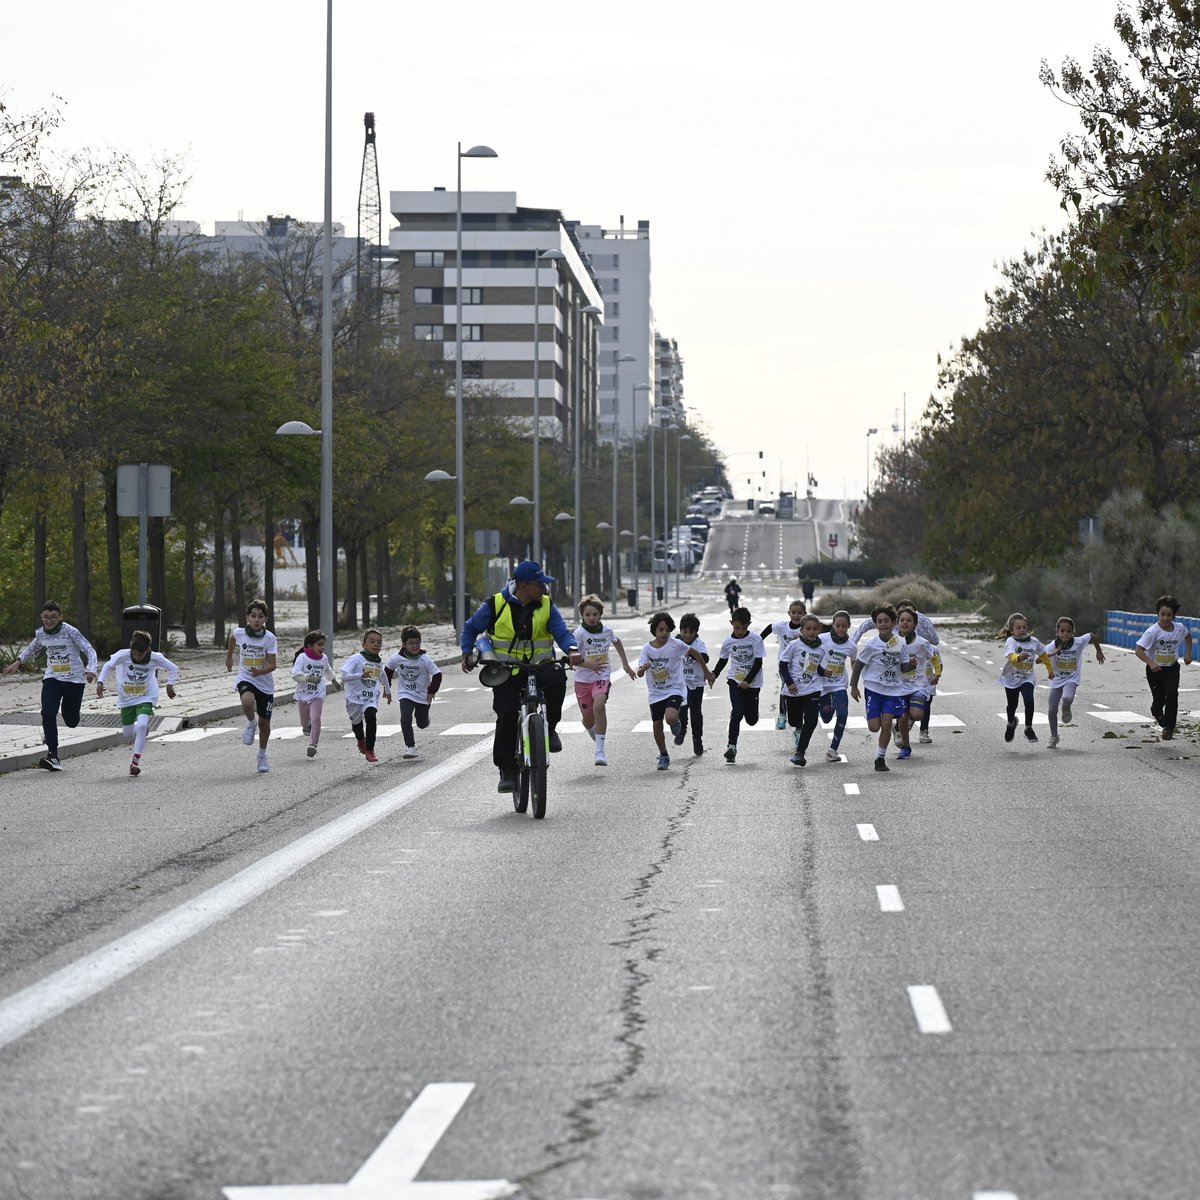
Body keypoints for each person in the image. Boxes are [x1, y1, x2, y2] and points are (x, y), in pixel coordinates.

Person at [460, 560, 580, 794]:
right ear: (524, 586)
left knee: (557, 680)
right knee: (506, 714)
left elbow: (562, 632)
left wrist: (572, 649)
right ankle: (506, 769)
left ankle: (550, 729)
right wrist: (467, 653)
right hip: (507, 669)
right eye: (540, 584)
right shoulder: (495, 604)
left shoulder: (547, 605)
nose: (544, 588)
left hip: (540, 665)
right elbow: (470, 628)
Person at [3, 600, 98, 771]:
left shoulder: (70, 631)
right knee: (47, 713)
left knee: (71, 721)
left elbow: (89, 650)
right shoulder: (41, 633)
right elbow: (32, 648)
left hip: (74, 680)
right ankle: (53, 755)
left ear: (60, 617)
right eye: (46, 617)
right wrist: (18, 662)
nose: (49, 620)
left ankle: (71, 715)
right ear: (41, 617)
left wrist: (91, 669)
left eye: (53, 617)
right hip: (52, 678)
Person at [637, 610, 714, 770]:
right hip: (656, 692)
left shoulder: (676, 644)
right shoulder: (647, 649)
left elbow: (696, 653)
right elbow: (639, 672)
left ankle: (679, 725)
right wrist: (643, 669)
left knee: (672, 717)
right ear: (654, 630)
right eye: (661, 629)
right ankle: (664, 755)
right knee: (657, 725)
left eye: (667, 630)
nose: (664, 633)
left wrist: (706, 672)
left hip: (675, 688)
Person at [97, 630, 179, 776]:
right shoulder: (123, 655)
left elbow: (173, 668)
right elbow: (107, 666)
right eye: (134, 654)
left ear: (147, 650)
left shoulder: (155, 657)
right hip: (126, 698)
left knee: (141, 725)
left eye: (140, 655)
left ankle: (135, 762)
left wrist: (170, 685)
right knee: (128, 733)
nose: (137, 657)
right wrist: (100, 682)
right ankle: (142, 730)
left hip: (146, 696)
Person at [572, 595, 636, 768]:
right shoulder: (579, 634)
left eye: (595, 614)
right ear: (582, 616)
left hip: (601, 676)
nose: (591, 618)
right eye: (587, 615)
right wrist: (588, 664)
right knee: (588, 720)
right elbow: (571, 658)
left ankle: (600, 752)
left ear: (600, 614)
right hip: (583, 680)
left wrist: (625, 665)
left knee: (599, 706)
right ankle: (590, 728)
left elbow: (617, 642)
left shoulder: (607, 631)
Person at [849, 604, 908, 772]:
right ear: (875, 624)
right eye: (880, 621)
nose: (883, 624)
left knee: (887, 723)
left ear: (894, 623)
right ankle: (882, 722)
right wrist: (854, 686)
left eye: (886, 621)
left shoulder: (900, 643)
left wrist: (911, 665)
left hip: (893, 690)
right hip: (874, 689)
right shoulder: (871, 645)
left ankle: (880, 758)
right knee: (874, 727)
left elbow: (904, 668)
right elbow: (859, 665)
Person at [226, 599, 278, 774]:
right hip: (246, 677)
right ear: (248, 617)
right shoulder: (240, 633)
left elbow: (273, 664)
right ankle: (250, 723)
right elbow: (232, 639)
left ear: (265, 619)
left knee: (265, 723)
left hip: (264, 682)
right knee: (247, 702)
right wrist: (229, 657)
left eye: (260, 616)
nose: (257, 620)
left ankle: (262, 755)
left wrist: (261, 671)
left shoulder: (269, 638)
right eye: (253, 616)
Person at [712, 606, 766, 764]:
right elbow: (723, 660)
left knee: (751, 720)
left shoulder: (756, 639)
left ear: (749, 624)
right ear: (731, 623)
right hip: (735, 680)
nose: (740, 631)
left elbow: (758, 663)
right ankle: (732, 747)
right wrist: (714, 674)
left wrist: (747, 681)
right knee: (737, 712)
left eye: (743, 628)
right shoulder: (728, 642)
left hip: (752, 683)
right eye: (737, 628)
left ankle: (752, 711)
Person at [1134, 594, 1192, 741]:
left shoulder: (1179, 628)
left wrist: (1188, 654)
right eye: (1162, 614)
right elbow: (1139, 650)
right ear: (1158, 614)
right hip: (1155, 670)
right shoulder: (1152, 632)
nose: (1165, 618)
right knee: (1159, 699)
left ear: (1174, 615)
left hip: (1172, 668)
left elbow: (1188, 636)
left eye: (1169, 615)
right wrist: (1151, 663)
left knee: (1172, 694)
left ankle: (1168, 728)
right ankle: (1157, 711)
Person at [1043, 616, 1105, 748]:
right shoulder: (1051, 646)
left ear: (1073, 632)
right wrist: (1050, 667)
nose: (1065, 634)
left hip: (1071, 678)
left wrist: (1099, 651)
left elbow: (1092, 635)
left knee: (1067, 697)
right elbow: (1042, 659)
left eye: (1068, 631)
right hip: (1056, 680)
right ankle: (1054, 736)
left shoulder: (1078, 642)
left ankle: (1066, 707)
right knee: (1051, 710)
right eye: (1062, 631)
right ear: (1057, 632)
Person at [385, 626, 443, 760]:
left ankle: (425, 720)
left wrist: (431, 691)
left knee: (421, 723)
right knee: (405, 717)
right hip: (406, 693)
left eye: (417, 643)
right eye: (411, 643)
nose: (415, 646)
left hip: (423, 695)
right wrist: (387, 688)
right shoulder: (397, 658)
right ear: (404, 644)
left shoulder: (425, 659)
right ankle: (410, 747)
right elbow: (387, 671)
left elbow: (437, 674)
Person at [997, 612, 1054, 744]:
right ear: (1012, 630)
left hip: (1027, 677)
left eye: (1024, 627)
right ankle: (1011, 723)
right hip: (1011, 678)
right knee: (1012, 705)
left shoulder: (1034, 641)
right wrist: (1018, 657)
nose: (1022, 630)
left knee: (1029, 700)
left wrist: (1050, 669)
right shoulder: (1011, 641)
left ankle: (1028, 728)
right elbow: (1010, 655)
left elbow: (1043, 655)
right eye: (1018, 628)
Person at [778, 613, 825, 766]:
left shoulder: (821, 648)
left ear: (819, 630)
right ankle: (797, 727)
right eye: (808, 629)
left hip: (813, 688)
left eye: (815, 629)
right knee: (794, 721)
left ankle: (800, 753)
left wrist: (824, 672)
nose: (812, 632)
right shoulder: (794, 645)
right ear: (802, 630)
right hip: (794, 690)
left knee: (811, 721)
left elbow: (814, 666)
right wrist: (789, 683)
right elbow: (783, 665)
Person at [894, 606, 939, 759]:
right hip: (900, 686)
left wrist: (937, 674)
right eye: (902, 620)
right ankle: (906, 747)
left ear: (915, 624)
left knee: (917, 715)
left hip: (917, 685)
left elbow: (934, 657)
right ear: (897, 623)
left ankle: (904, 729)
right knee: (902, 717)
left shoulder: (922, 642)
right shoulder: (893, 642)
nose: (905, 623)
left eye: (909, 620)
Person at [342, 628, 391, 764]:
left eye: (379, 642)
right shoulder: (356, 659)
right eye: (372, 641)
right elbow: (344, 675)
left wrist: (387, 691)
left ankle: (370, 749)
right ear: (364, 644)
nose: (376, 645)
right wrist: (360, 675)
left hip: (370, 697)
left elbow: (383, 675)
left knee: (371, 717)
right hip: (354, 698)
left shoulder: (378, 662)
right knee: (356, 724)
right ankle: (360, 739)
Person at [760, 600, 807, 729]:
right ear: (789, 613)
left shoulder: (807, 628)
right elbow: (770, 627)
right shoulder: (782, 626)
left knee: (800, 692)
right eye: (793, 612)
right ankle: (782, 714)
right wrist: (759, 640)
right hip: (784, 664)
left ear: (805, 614)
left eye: (799, 613)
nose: (796, 615)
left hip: (801, 665)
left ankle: (799, 727)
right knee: (785, 686)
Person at [818, 610, 857, 761]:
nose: (841, 629)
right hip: (822, 684)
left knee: (843, 714)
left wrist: (855, 682)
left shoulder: (851, 646)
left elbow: (853, 661)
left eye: (844, 626)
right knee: (826, 718)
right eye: (838, 626)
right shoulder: (823, 638)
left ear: (848, 626)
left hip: (839, 684)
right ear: (833, 625)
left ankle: (832, 749)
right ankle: (831, 704)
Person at [291, 630, 336, 758]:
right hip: (303, 694)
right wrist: (308, 678)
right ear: (310, 646)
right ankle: (306, 727)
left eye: (323, 644)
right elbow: (295, 674)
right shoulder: (302, 657)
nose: (322, 647)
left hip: (317, 694)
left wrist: (334, 681)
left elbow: (327, 670)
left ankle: (313, 744)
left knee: (316, 718)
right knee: (305, 722)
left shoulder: (324, 658)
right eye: (319, 645)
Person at [675, 612, 709, 756]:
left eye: (691, 633)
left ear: (696, 632)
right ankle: (682, 728)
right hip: (680, 683)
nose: (687, 635)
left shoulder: (698, 644)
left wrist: (691, 653)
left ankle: (697, 739)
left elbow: (705, 658)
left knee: (695, 712)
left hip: (696, 683)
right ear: (680, 630)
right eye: (685, 632)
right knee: (681, 708)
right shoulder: (676, 642)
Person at [852, 596, 940, 647]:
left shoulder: (923, 621)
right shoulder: (891, 623)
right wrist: (852, 643)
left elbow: (935, 641)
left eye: (909, 619)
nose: (905, 622)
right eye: (902, 618)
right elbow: (865, 625)